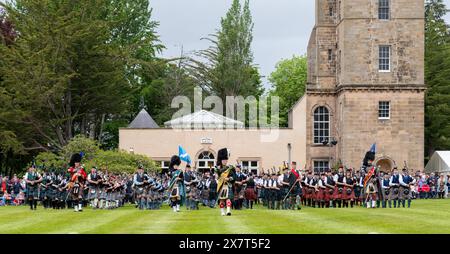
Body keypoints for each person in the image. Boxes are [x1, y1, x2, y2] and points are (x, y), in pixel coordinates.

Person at [215, 148, 236, 216]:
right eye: (223, 160)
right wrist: (218, 175)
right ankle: (222, 211)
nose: (224, 161)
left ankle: (228, 211)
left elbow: (234, 177)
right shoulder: (217, 168)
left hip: (228, 185)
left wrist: (229, 178)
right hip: (221, 185)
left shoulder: (230, 168)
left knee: (228, 199)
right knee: (221, 200)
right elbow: (216, 177)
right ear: (221, 160)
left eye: (225, 160)